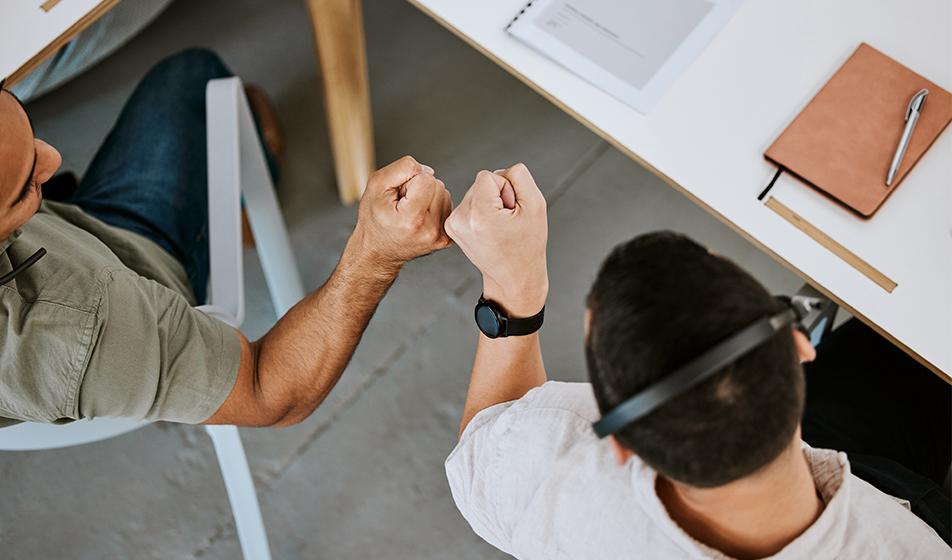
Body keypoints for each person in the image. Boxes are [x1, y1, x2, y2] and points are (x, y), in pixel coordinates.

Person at [443, 165, 950, 558]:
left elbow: (490, 442)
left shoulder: (552, 486)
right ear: (799, 346)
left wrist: (514, 283)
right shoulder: (912, 546)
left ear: (620, 443)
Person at [0, 49, 453, 428]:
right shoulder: (72, 326)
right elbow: (269, 392)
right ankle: (243, 205)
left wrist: (28, 197)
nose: (53, 156)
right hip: (130, 277)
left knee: (189, 72)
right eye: (25, 186)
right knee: (196, 78)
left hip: (71, 231)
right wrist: (376, 252)